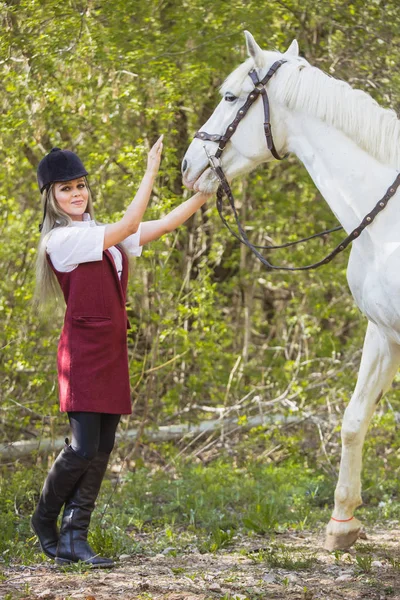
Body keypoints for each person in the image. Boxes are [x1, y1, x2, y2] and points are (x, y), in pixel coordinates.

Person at [31, 137, 210, 567]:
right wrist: (150, 170)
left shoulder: (98, 234)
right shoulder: (61, 240)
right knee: (81, 447)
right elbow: (131, 225)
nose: (77, 194)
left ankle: (75, 537)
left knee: (102, 446)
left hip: (110, 350)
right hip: (82, 354)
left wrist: (205, 193)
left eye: (80, 185)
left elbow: (161, 224)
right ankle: (44, 519)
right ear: (51, 199)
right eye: (66, 189)